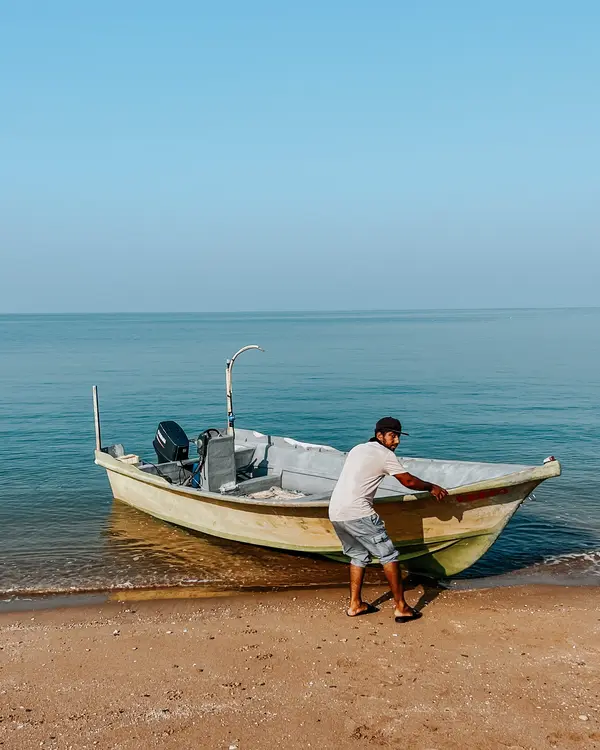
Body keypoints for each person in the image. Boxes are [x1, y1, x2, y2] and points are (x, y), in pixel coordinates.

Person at [328, 417, 448, 622]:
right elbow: (408, 481)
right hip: (359, 513)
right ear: (379, 436)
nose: (397, 441)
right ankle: (401, 607)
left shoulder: (358, 449)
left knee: (358, 556)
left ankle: (355, 605)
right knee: (389, 556)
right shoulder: (384, 454)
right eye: (392, 436)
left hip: (336, 512)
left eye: (398, 436)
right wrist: (431, 487)